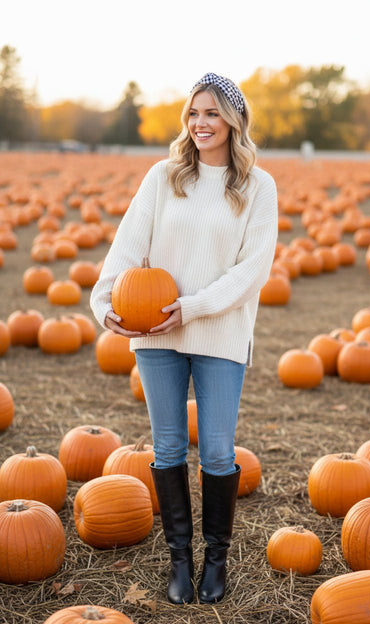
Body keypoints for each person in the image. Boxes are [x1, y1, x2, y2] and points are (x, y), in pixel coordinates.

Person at [90, 72, 278, 605]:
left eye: (212, 113)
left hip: (219, 332)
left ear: (234, 121)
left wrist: (190, 308)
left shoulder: (257, 188)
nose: (200, 123)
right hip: (154, 334)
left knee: (218, 452)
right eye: (193, 113)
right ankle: (181, 559)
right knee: (169, 445)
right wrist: (105, 307)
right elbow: (127, 248)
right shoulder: (163, 177)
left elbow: (252, 271)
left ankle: (215, 558)